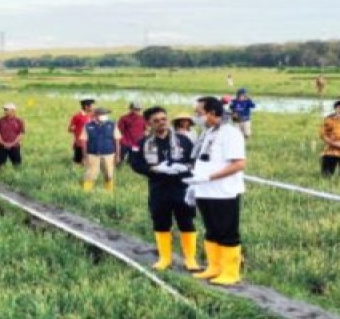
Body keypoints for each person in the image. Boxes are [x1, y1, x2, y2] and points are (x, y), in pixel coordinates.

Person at [130, 107, 200, 271]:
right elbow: (135, 163)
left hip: (181, 187)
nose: (162, 123)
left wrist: (183, 167)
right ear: (148, 123)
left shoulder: (183, 140)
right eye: (156, 121)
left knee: (186, 222)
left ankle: (190, 259)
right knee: (161, 222)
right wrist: (153, 169)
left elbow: (194, 160)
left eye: (164, 119)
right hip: (158, 188)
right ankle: (165, 258)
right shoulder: (143, 143)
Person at [186, 97, 247, 286]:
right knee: (211, 230)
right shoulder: (208, 132)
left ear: (212, 113)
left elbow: (239, 164)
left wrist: (210, 177)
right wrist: (194, 185)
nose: (196, 117)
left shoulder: (231, 133)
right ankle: (214, 267)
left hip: (223, 192)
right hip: (204, 190)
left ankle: (231, 272)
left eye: (199, 113)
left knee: (227, 232)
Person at [80, 106, 121, 192]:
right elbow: (83, 142)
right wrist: (84, 156)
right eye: (103, 114)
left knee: (109, 174)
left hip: (109, 154)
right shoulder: (88, 126)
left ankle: (109, 192)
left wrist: (117, 155)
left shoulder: (112, 124)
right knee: (90, 174)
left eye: (106, 114)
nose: (105, 116)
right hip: (92, 154)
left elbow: (117, 141)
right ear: (96, 115)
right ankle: (85, 192)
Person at [0, 103, 25, 170]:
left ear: (13, 110)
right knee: (0, 164)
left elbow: (21, 134)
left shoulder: (19, 121)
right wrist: (3, 143)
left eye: (7, 109)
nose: (5, 111)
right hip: (2, 146)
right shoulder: (0, 120)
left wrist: (12, 143)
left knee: (17, 164)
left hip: (15, 146)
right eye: (4, 109)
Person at [68, 99, 94, 167]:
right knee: (77, 162)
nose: (92, 108)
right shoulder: (77, 116)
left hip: (90, 142)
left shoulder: (91, 115)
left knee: (89, 161)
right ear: (86, 107)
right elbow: (70, 129)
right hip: (80, 143)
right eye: (91, 106)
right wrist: (77, 130)